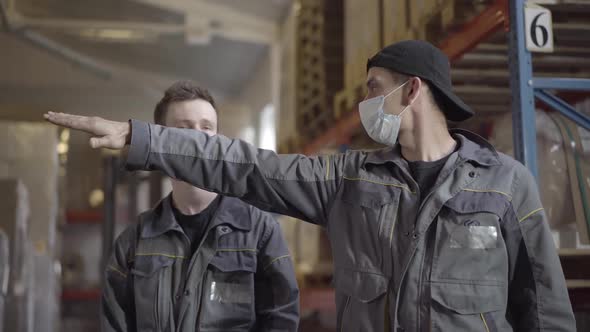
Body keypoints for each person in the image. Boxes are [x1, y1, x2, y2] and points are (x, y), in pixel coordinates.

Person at [46, 40, 575, 331]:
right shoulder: (347, 180)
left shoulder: (507, 186)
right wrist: (141, 138)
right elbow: (247, 166)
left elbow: (547, 311)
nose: (364, 105)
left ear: (413, 91)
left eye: (375, 91)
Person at [98, 81, 299, 332]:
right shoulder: (134, 242)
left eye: (207, 128)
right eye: (183, 129)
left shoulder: (260, 233)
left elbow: (281, 322)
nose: (197, 140)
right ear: (160, 144)